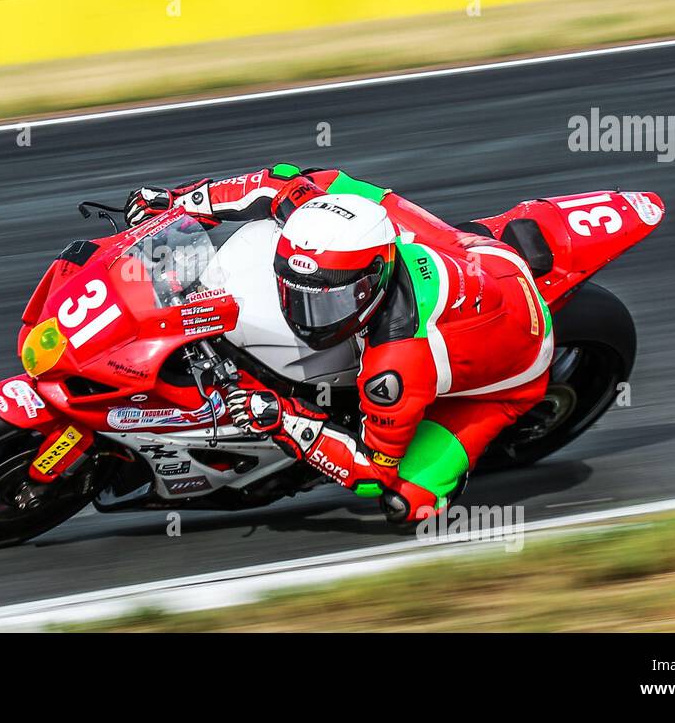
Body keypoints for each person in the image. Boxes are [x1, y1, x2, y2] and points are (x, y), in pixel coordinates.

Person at [125, 164, 552, 522]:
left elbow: (370, 471)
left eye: (332, 301)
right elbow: (277, 182)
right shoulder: (344, 213)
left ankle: (457, 460)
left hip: (513, 370)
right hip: (476, 254)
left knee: (405, 502)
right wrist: (178, 202)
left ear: (374, 278)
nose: (308, 316)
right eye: (298, 294)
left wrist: (281, 418)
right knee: (322, 183)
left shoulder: (396, 365)